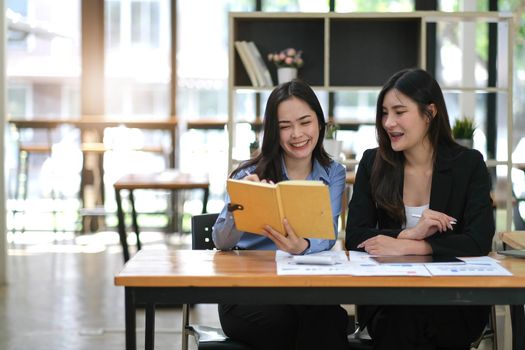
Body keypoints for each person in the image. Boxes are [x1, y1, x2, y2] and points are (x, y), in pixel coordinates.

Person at [345, 68, 494, 350]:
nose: (389, 122)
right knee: (405, 321)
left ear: (430, 112)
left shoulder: (468, 164)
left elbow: (478, 240)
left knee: (429, 322)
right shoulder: (372, 163)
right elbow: (355, 235)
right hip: (389, 302)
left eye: (399, 112)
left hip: (454, 300)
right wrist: (411, 234)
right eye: (384, 113)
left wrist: (414, 246)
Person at [212, 79, 349, 350]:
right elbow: (221, 242)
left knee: (329, 318)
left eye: (304, 122)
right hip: (247, 291)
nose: (297, 134)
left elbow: (328, 233)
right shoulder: (247, 173)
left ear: (319, 123)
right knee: (290, 324)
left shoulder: (334, 173)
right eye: (285, 126)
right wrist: (237, 205)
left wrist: (304, 246)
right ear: (274, 131)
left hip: (305, 286)